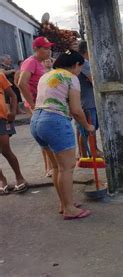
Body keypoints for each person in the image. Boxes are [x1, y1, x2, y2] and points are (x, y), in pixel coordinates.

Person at [30, 50, 94, 219]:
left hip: (37, 121)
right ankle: (69, 209)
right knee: (67, 168)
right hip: (55, 122)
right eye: (81, 66)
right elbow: (76, 110)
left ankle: (65, 203)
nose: (80, 70)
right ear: (76, 65)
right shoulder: (71, 77)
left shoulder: (47, 75)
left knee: (57, 167)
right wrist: (87, 126)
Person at [17, 36, 54, 177]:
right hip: (37, 105)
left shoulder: (40, 63)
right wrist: (32, 104)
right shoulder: (30, 62)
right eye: (45, 48)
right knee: (44, 137)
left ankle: (50, 166)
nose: (49, 51)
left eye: (49, 47)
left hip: (44, 103)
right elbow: (21, 83)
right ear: (36, 49)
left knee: (46, 137)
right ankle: (49, 168)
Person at [0, 72, 28, 195]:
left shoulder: (0, 75)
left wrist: (13, 111)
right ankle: (2, 180)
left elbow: (13, 95)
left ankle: (19, 177)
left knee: (6, 150)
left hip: (1, 118)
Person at [76, 41, 102, 158]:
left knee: (88, 129)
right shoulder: (84, 63)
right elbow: (94, 80)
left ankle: (90, 151)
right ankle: (85, 154)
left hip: (87, 101)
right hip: (87, 102)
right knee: (86, 130)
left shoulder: (83, 62)